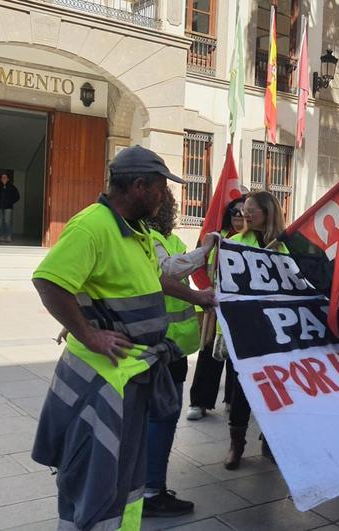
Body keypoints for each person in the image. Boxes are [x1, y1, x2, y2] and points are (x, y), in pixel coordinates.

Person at [30, 146, 215, 531]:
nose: (164, 197)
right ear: (139, 185)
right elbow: (49, 280)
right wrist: (88, 334)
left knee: (124, 475)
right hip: (103, 379)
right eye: (161, 188)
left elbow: (155, 278)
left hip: (132, 374)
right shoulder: (93, 226)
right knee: (97, 476)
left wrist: (197, 296)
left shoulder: (137, 231)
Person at [143, 188, 220, 517]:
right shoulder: (146, 238)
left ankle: (149, 485)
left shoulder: (167, 239)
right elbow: (168, 272)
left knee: (163, 416)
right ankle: (149, 490)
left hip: (171, 344)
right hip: (157, 343)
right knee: (160, 417)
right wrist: (205, 251)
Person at [224, 191, 289, 470]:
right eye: (242, 211)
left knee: (275, 387)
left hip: (277, 328)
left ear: (269, 213)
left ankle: (270, 441)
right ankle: (236, 445)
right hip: (245, 328)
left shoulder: (287, 245)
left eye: (252, 210)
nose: (245, 215)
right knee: (242, 389)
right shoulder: (235, 243)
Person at [186, 196, 247, 421]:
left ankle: (233, 400)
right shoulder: (217, 238)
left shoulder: (256, 241)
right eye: (235, 213)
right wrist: (207, 291)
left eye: (244, 213)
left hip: (241, 310)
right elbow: (201, 267)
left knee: (237, 358)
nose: (239, 217)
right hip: (216, 306)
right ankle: (199, 402)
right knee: (209, 353)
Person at [0, 172, 20, 243]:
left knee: (7, 222)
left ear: (8, 179)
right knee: (0, 222)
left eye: (5, 177)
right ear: (1, 179)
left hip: (8, 208)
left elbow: (17, 196)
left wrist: (10, 202)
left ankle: (8, 237)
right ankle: (1, 237)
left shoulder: (12, 187)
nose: (3, 179)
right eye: (2, 177)